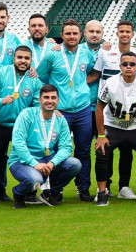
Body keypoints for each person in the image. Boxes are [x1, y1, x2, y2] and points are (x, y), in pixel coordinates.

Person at [34, 19, 96, 202]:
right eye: (68, 33)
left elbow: (91, 72)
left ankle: (83, 188)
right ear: (61, 36)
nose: (71, 36)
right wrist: (51, 104)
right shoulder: (52, 55)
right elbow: (39, 77)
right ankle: (54, 188)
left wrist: (81, 87)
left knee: (84, 151)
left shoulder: (86, 53)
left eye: (75, 33)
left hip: (83, 109)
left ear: (80, 35)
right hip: (60, 112)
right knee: (54, 151)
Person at [0, 46, 42, 206]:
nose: (23, 61)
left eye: (27, 58)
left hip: (21, 127)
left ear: (31, 61)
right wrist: (1, 101)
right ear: (13, 58)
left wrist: (27, 119)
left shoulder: (34, 80)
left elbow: (36, 106)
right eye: (20, 57)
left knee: (30, 157)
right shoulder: (1, 73)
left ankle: (29, 193)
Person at [88, 20, 136, 199]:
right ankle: (106, 187)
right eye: (122, 31)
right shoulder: (105, 51)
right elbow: (96, 75)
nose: (125, 34)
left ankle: (124, 187)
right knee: (106, 149)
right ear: (117, 33)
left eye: (128, 31)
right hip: (106, 112)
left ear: (133, 34)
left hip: (128, 112)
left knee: (126, 151)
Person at [94, 51, 136, 206]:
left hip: (135, 126)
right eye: (125, 64)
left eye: (132, 64)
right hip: (113, 125)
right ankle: (102, 193)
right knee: (101, 152)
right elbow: (99, 108)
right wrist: (101, 136)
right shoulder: (110, 83)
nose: (128, 67)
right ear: (120, 66)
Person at [8, 85, 82, 208]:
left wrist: (52, 162)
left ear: (58, 100)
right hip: (21, 161)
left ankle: (50, 192)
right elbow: (18, 143)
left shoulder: (60, 119)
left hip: (47, 159)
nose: (50, 101)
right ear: (40, 99)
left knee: (75, 164)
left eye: (53, 98)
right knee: (35, 179)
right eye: (46, 97)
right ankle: (18, 193)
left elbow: (66, 147)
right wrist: (34, 163)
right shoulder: (27, 115)